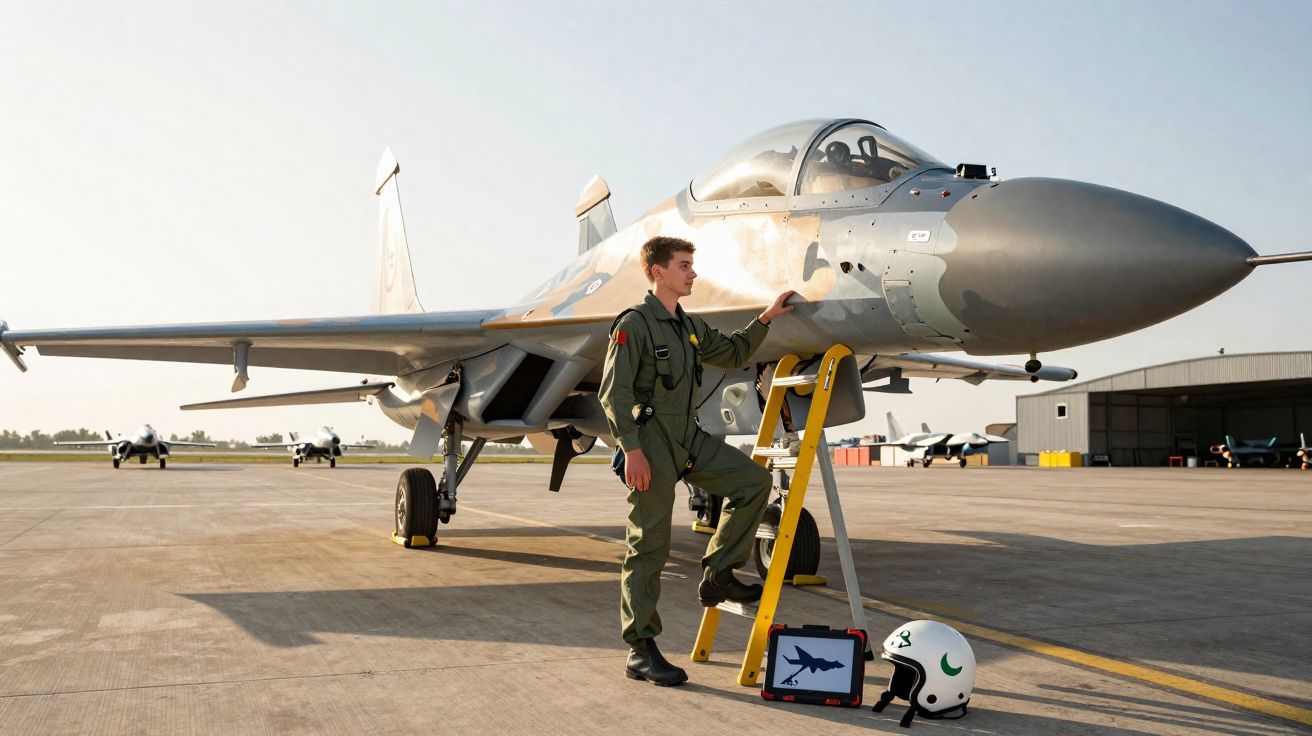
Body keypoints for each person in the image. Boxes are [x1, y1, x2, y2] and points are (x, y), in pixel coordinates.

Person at [600, 235, 797, 686]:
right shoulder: (634, 324)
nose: (693, 273)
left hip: (687, 436)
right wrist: (631, 450)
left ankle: (719, 573)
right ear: (658, 272)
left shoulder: (687, 326)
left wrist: (766, 318)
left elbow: (732, 352)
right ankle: (641, 649)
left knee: (752, 482)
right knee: (648, 546)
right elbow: (614, 393)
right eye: (685, 265)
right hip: (649, 443)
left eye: (692, 265)